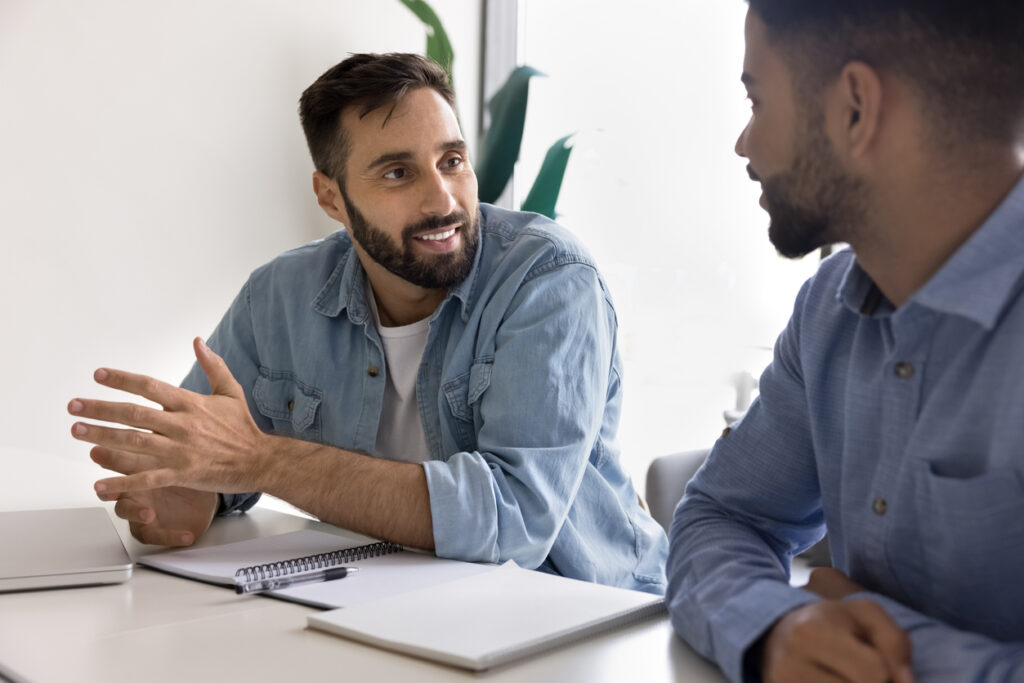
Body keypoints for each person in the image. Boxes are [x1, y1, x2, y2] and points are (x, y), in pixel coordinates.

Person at [68, 52, 667, 594]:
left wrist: (263, 460)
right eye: (397, 173)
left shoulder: (548, 280)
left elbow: (513, 520)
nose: (443, 200)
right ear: (330, 198)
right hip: (386, 607)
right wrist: (181, 493)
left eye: (452, 161)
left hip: (580, 614)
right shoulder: (279, 296)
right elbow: (218, 459)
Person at [666, 1, 1024, 681]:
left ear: (856, 109)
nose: (746, 145)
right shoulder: (828, 308)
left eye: (758, 99)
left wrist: (882, 634)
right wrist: (776, 622)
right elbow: (721, 514)